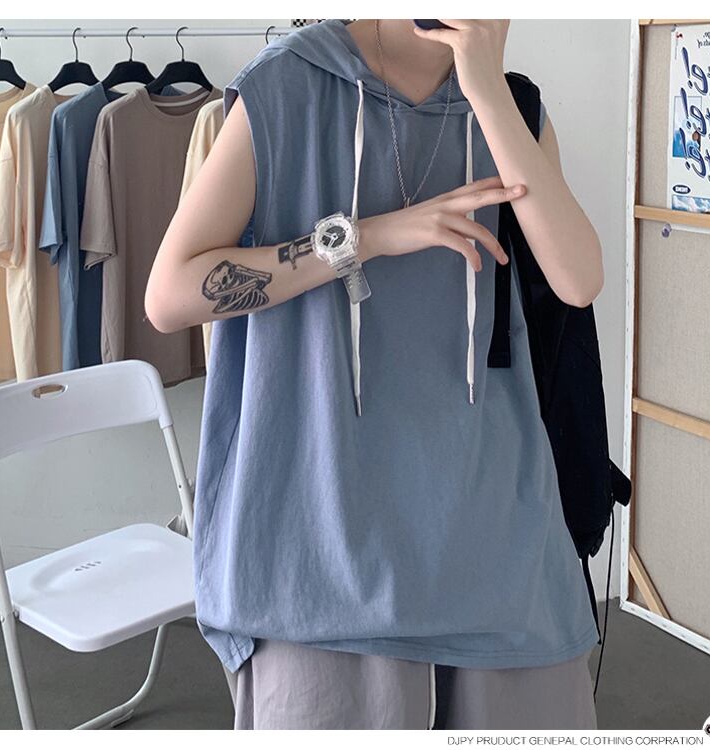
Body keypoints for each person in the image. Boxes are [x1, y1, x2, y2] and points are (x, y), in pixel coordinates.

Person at [145, 19, 605, 730]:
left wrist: (485, 86)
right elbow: (172, 293)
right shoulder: (287, 85)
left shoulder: (513, 106)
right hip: (317, 557)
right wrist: (366, 238)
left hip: (500, 550)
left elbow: (578, 280)